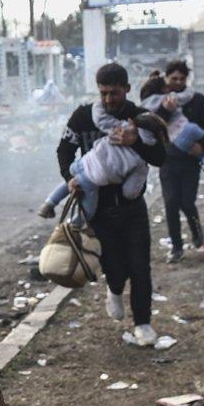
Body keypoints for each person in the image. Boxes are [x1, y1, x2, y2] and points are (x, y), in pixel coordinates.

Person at [55, 62, 166, 346]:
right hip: (98, 210)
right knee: (115, 267)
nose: (108, 99)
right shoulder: (82, 117)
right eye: (103, 93)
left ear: (127, 90)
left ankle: (143, 323)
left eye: (114, 93)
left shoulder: (140, 118)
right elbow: (64, 150)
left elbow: (160, 157)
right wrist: (71, 177)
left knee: (140, 268)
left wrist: (137, 142)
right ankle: (114, 290)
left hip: (132, 207)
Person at [38, 109, 167, 221]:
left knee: (72, 181)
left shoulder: (120, 127)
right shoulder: (142, 161)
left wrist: (97, 105)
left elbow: (100, 119)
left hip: (81, 163)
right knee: (88, 212)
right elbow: (129, 192)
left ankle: (49, 202)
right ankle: (72, 226)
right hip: (93, 179)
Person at [156, 59, 204, 264]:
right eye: (173, 78)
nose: (177, 82)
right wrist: (165, 110)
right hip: (167, 159)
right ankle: (176, 247)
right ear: (166, 78)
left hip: (190, 161)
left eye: (181, 79)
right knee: (170, 202)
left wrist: (202, 144)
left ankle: (197, 233)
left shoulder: (197, 100)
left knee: (187, 201)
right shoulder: (158, 100)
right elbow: (152, 125)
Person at [139, 70, 204, 180]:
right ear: (163, 88)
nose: (177, 83)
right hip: (187, 128)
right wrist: (190, 90)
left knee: (199, 154)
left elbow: (147, 133)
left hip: (177, 139)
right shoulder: (169, 97)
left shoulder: (145, 108)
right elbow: (186, 96)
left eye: (182, 78)